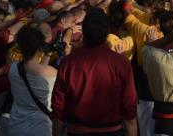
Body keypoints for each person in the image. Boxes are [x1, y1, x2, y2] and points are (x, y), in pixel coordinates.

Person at [51, 8, 138, 136]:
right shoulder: (121, 63)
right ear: (107, 33)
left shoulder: (68, 62)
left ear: (84, 32)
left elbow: (58, 109)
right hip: (111, 131)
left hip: (77, 130)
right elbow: (129, 107)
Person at [8, 26, 57, 136]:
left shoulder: (13, 68)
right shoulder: (51, 72)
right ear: (40, 47)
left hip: (16, 126)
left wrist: (47, 54)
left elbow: (34, 72)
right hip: (40, 128)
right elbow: (39, 74)